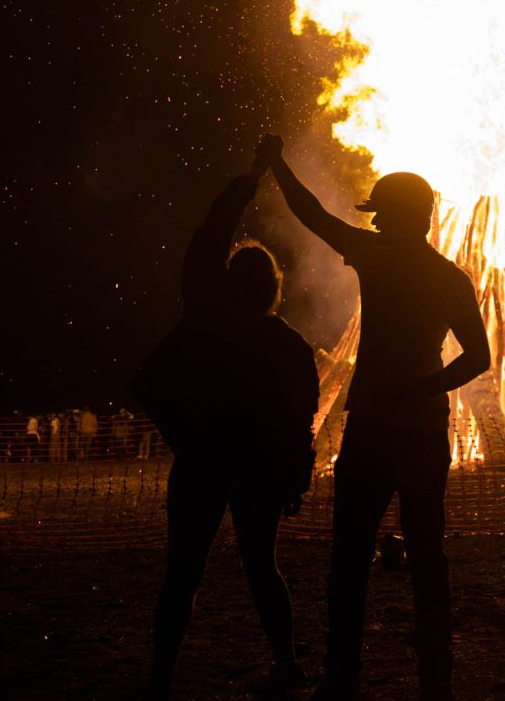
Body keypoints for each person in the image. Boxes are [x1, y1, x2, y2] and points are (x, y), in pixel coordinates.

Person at [258, 134, 491, 701]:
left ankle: (343, 675)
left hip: (373, 430)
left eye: (382, 213)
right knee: (427, 553)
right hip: (422, 432)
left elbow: (311, 214)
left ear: (396, 217)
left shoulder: (377, 254)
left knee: (351, 555)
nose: (378, 222)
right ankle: (436, 676)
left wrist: (275, 166)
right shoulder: (450, 277)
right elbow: (479, 356)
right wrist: (425, 389)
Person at [131, 151, 319, 701]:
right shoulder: (288, 346)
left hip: (203, 463)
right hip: (256, 471)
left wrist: (250, 179)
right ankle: (285, 663)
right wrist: (294, 478)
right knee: (263, 567)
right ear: (273, 288)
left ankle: (162, 674)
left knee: (182, 572)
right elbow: (300, 420)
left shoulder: (205, 319)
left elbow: (211, 233)